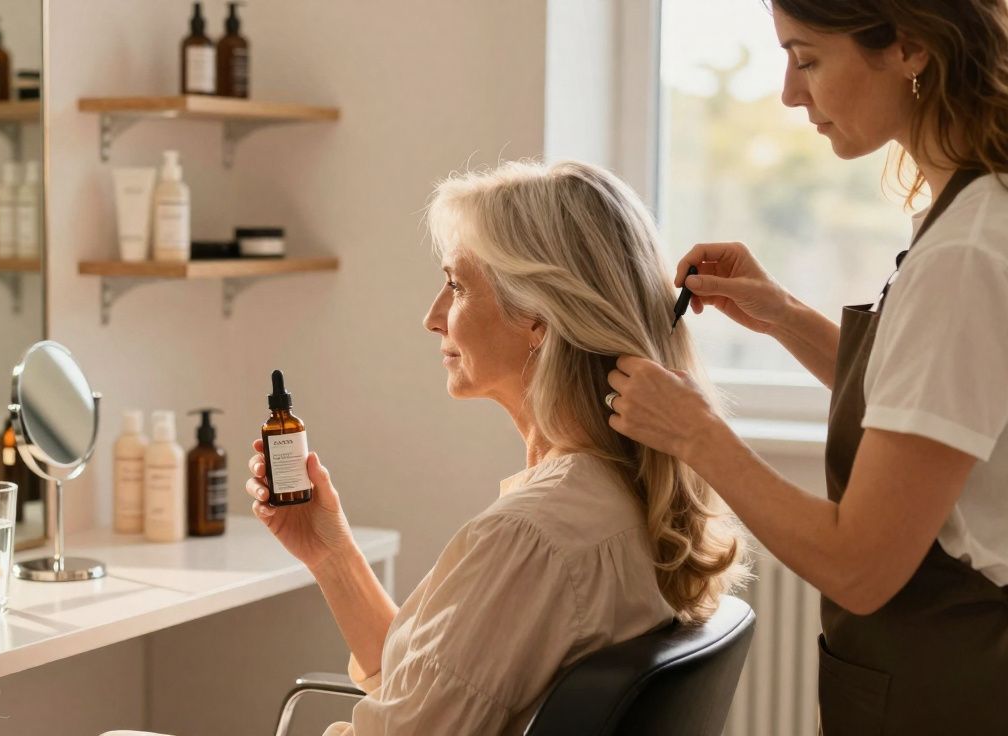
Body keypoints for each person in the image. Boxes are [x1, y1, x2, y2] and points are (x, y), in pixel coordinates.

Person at [604, 2, 1008, 733]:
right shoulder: (968, 212)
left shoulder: (966, 254)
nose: (791, 93)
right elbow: (931, 406)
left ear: (910, 47)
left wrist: (697, 435)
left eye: (808, 57)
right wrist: (783, 316)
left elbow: (860, 564)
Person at [245, 160, 748, 734]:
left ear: (539, 318)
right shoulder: (623, 496)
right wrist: (330, 553)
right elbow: (439, 693)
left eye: (456, 286)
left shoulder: (531, 538)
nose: (433, 317)